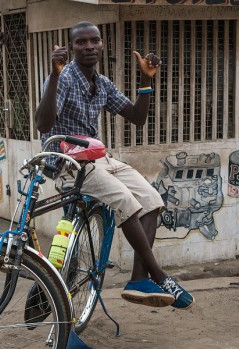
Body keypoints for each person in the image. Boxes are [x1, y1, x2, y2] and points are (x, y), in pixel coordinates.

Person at [35, 21, 194, 310]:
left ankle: (137, 279)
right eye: (81, 42)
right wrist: (53, 76)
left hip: (99, 159)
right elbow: (42, 124)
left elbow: (136, 117)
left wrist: (146, 81)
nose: (89, 47)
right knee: (126, 202)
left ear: (101, 44)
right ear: (71, 48)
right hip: (70, 163)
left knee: (152, 201)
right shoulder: (63, 77)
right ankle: (158, 275)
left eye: (94, 41)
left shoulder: (102, 83)